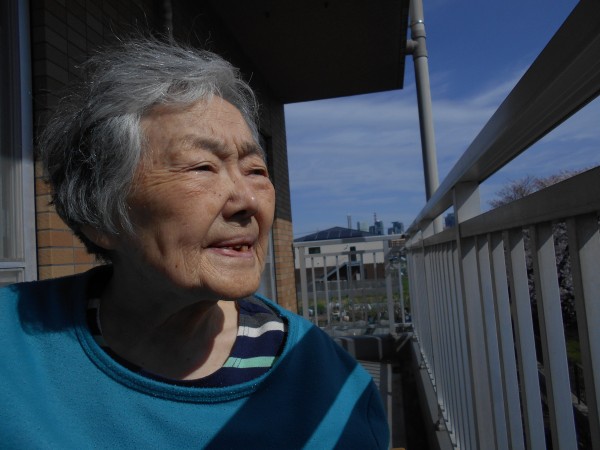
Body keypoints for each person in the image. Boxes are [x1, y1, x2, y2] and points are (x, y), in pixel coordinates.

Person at [0, 37, 389, 448]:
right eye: (202, 167)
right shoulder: (12, 346)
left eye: (255, 170)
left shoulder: (331, 391)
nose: (248, 201)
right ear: (102, 216)